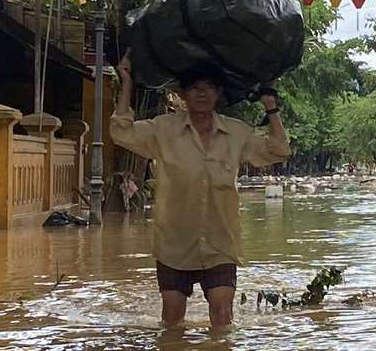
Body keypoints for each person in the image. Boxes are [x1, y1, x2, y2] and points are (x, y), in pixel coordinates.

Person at [107, 54, 289, 328]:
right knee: (172, 318)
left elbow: (279, 150)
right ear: (182, 93)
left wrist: (271, 107)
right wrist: (127, 82)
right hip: (174, 244)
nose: (202, 93)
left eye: (209, 87)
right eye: (194, 87)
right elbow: (121, 133)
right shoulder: (163, 130)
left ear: (219, 93)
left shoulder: (236, 133)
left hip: (220, 243)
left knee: (222, 314)